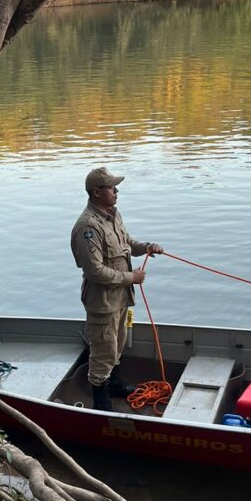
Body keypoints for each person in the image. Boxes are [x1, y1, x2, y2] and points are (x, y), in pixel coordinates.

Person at [70, 167, 163, 411]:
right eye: (112, 187)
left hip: (120, 298)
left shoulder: (113, 215)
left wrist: (146, 247)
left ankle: (115, 385)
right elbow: (95, 271)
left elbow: (127, 243)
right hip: (102, 302)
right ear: (96, 192)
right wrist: (131, 277)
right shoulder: (87, 228)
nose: (116, 191)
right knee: (103, 352)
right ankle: (102, 407)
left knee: (118, 344)